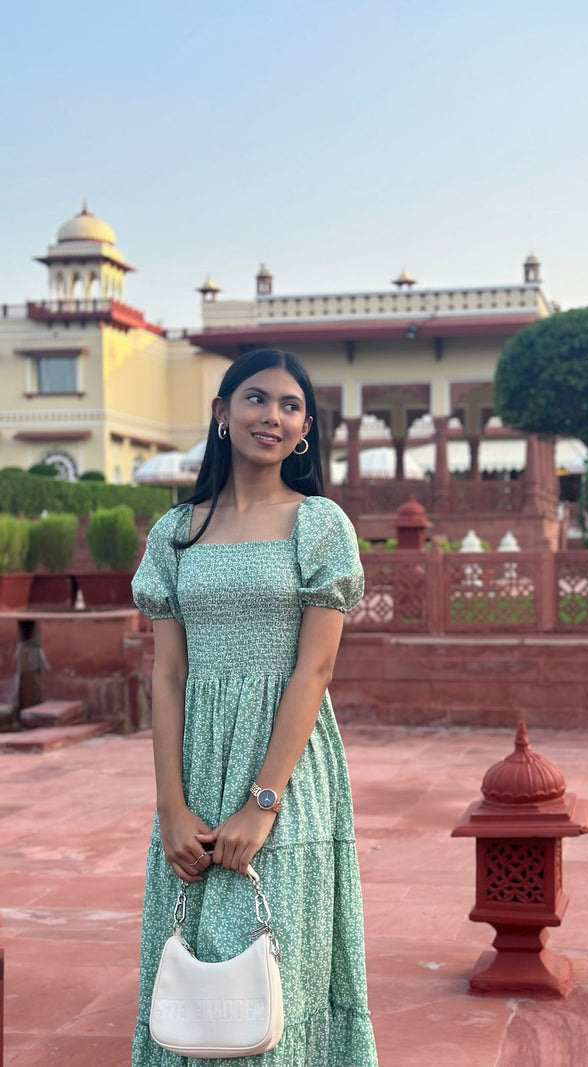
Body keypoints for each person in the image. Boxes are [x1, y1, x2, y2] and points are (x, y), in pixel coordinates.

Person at [131, 348, 379, 1065]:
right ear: (222, 412)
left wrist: (263, 800)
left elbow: (316, 666)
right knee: (193, 975)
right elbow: (169, 674)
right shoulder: (176, 532)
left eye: (291, 405)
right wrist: (171, 807)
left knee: (274, 975)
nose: (273, 415)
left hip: (287, 770)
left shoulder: (319, 524)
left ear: (304, 429)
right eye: (257, 398)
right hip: (196, 765)